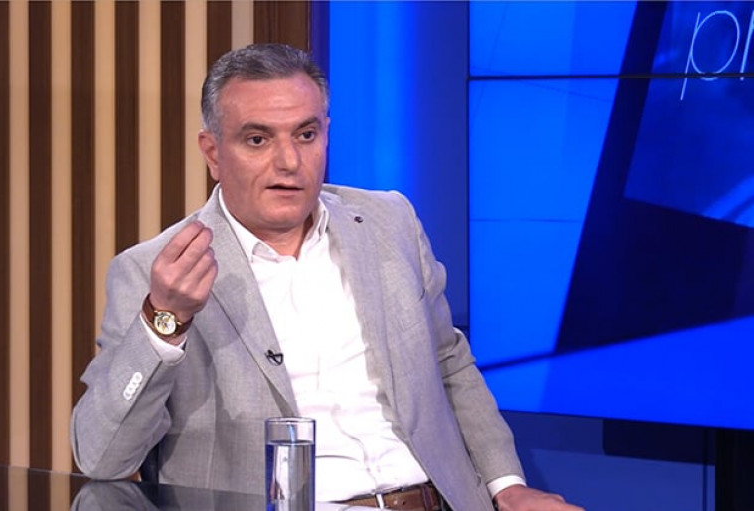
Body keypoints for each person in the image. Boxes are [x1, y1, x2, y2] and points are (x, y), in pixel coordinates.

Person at [70, 43, 583, 511]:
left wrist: (507, 485)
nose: (289, 162)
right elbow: (102, 457)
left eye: (306, 135)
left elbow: (450, 364)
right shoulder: (155, 271)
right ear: (213, 153)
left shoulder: (390, 222)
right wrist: (166, 319)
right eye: (257, 139)